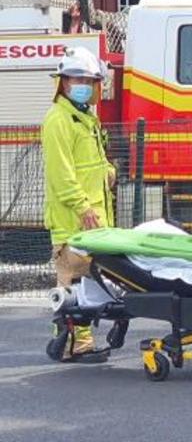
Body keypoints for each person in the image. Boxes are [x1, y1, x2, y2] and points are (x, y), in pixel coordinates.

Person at [42, 47, 114, 363]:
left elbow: (89, 164)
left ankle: (73, 341)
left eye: (88, 78)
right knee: (73, 281)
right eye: (77, 78)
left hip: (90, 217)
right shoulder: (59, 120)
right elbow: (62, 173)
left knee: (82, 282)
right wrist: (83, 206)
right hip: (75, 219)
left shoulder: (83, 117)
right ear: (63, 82)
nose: (83, 83)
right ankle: (72, 343)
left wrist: (108, 172)